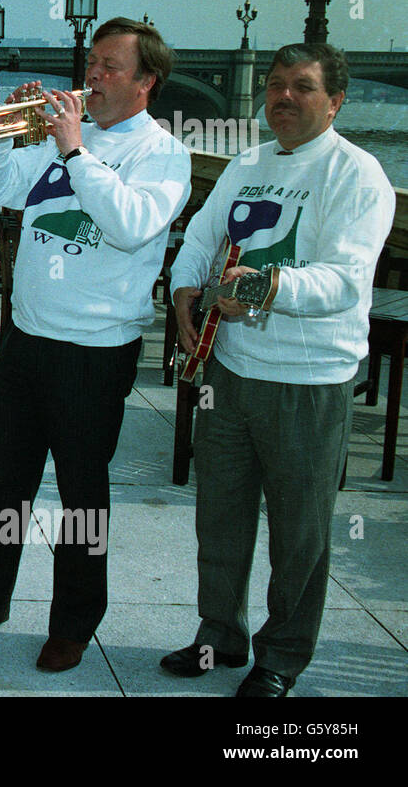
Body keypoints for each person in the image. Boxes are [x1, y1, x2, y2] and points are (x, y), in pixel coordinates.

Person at [0, 18, 191, 671]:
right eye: (92, 62)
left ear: (146, 82)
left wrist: (75, 151)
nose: (92, 76)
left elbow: (131, 225)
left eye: (109, 66)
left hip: (94, 349)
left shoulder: (161, 153)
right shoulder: (58, 138)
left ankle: (74, 619)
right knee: (4, 483)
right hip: (26, 339)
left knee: (80, 493)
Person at [162, 43, 393, 697]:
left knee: (300, 531)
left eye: (302, 86)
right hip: (230, 373)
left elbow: (345, 280)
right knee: (221, 515)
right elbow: (203, 236)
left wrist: (264, 287)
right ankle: (219, 635)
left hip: (309, 381)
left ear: (336, 100)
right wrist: (183, 287)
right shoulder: (247, 164)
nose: (283, 97)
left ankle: (283, 656)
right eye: (274, 85)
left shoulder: (358, 175)